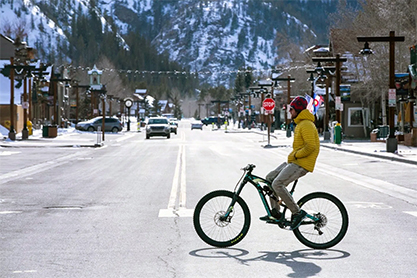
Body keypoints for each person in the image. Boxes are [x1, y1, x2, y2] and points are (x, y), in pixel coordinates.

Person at [260, 96, 320, 230]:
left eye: (291, 110)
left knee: (277, 183)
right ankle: (276, 212)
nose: (290, 112)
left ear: (298, 110)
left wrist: (296, 154)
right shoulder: (300, 124)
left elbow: (311, 146)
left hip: (302, 164)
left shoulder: (306, 124)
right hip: (295, 161)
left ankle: (297, 212)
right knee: (270, 178)